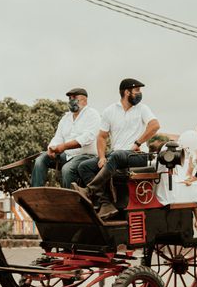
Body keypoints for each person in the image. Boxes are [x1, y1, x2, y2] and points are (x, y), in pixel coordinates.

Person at [74, 78, 160, 219]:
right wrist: (101, 157)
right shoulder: (110, 111)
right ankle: (106, 203)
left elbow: (155, 126)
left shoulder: (142, 108)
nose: (140, 93)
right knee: (84, 166)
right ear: (127, 92)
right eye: (137, 90)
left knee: (117, 155)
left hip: (139, 156)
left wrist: (138, 143)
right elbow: (102, 137)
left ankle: (89, 190)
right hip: (116, 156)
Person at [31, 87, 100, 188]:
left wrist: (64, 147)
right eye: (70, 98)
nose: (71, 101)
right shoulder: (65, 118)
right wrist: (52, 148)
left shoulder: (93, 115)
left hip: (86, 156)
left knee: (67, 169)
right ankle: (35, 192)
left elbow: (87, 138)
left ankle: (70, 200)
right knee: (41, 159)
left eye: (74, 97)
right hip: (67, 155)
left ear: (84, 100)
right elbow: (58, 137)